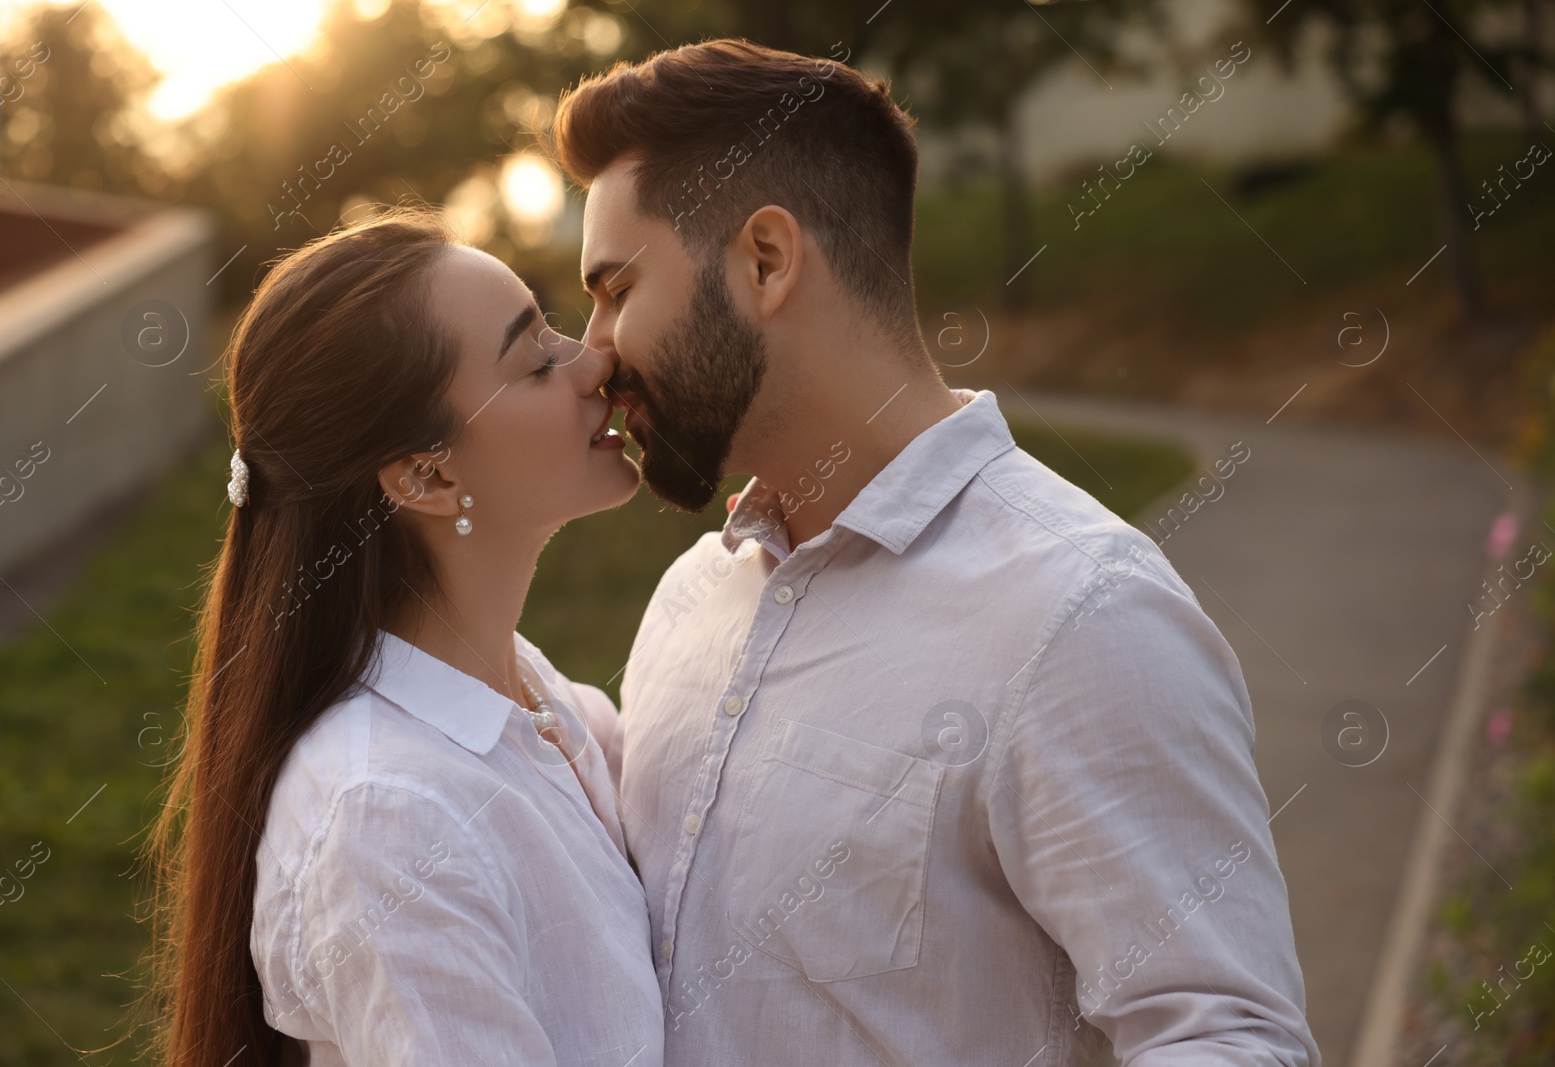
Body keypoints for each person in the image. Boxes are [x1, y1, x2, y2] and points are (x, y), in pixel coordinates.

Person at [554, 39, 1321, 1065]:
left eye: (613, 289)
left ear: (766, 260)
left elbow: (1229, 1035)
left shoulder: (1081, 613)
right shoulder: (687, 602)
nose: (593, 349)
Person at [142, 210, 663, 1067]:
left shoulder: (531, 694)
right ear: (427, 474)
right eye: (537, 360)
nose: (594, 360)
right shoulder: (391, 817)